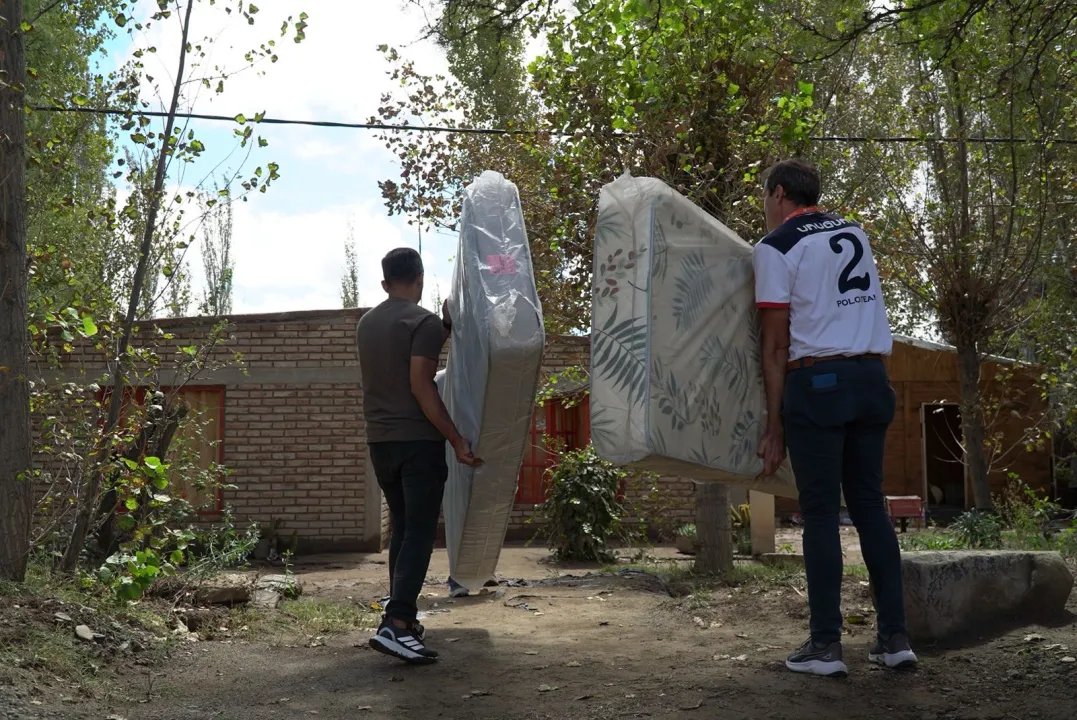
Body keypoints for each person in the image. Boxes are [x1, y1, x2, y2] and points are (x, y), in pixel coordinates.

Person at [752, 159, 917, 678]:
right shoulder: (855, 232)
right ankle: (895, 639)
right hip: (873, 381)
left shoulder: (776, 246)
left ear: (779, 194)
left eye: (764, 197)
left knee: (820, 512)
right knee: (870, 506)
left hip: (819, 384)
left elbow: (775, 345)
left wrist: (773, 425)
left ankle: (826, 645)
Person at [356, 247, 482, 665]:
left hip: (381, 445)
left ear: (385, 282)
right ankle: (397, 623)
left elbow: (399, 356)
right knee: (421, 532)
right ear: (421, 277)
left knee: (404, 529)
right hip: (418, 445)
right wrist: (457, 439)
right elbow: (421, 385)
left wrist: (443, 328)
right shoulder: (422, 322)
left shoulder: (367, 324)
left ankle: (401, 618)